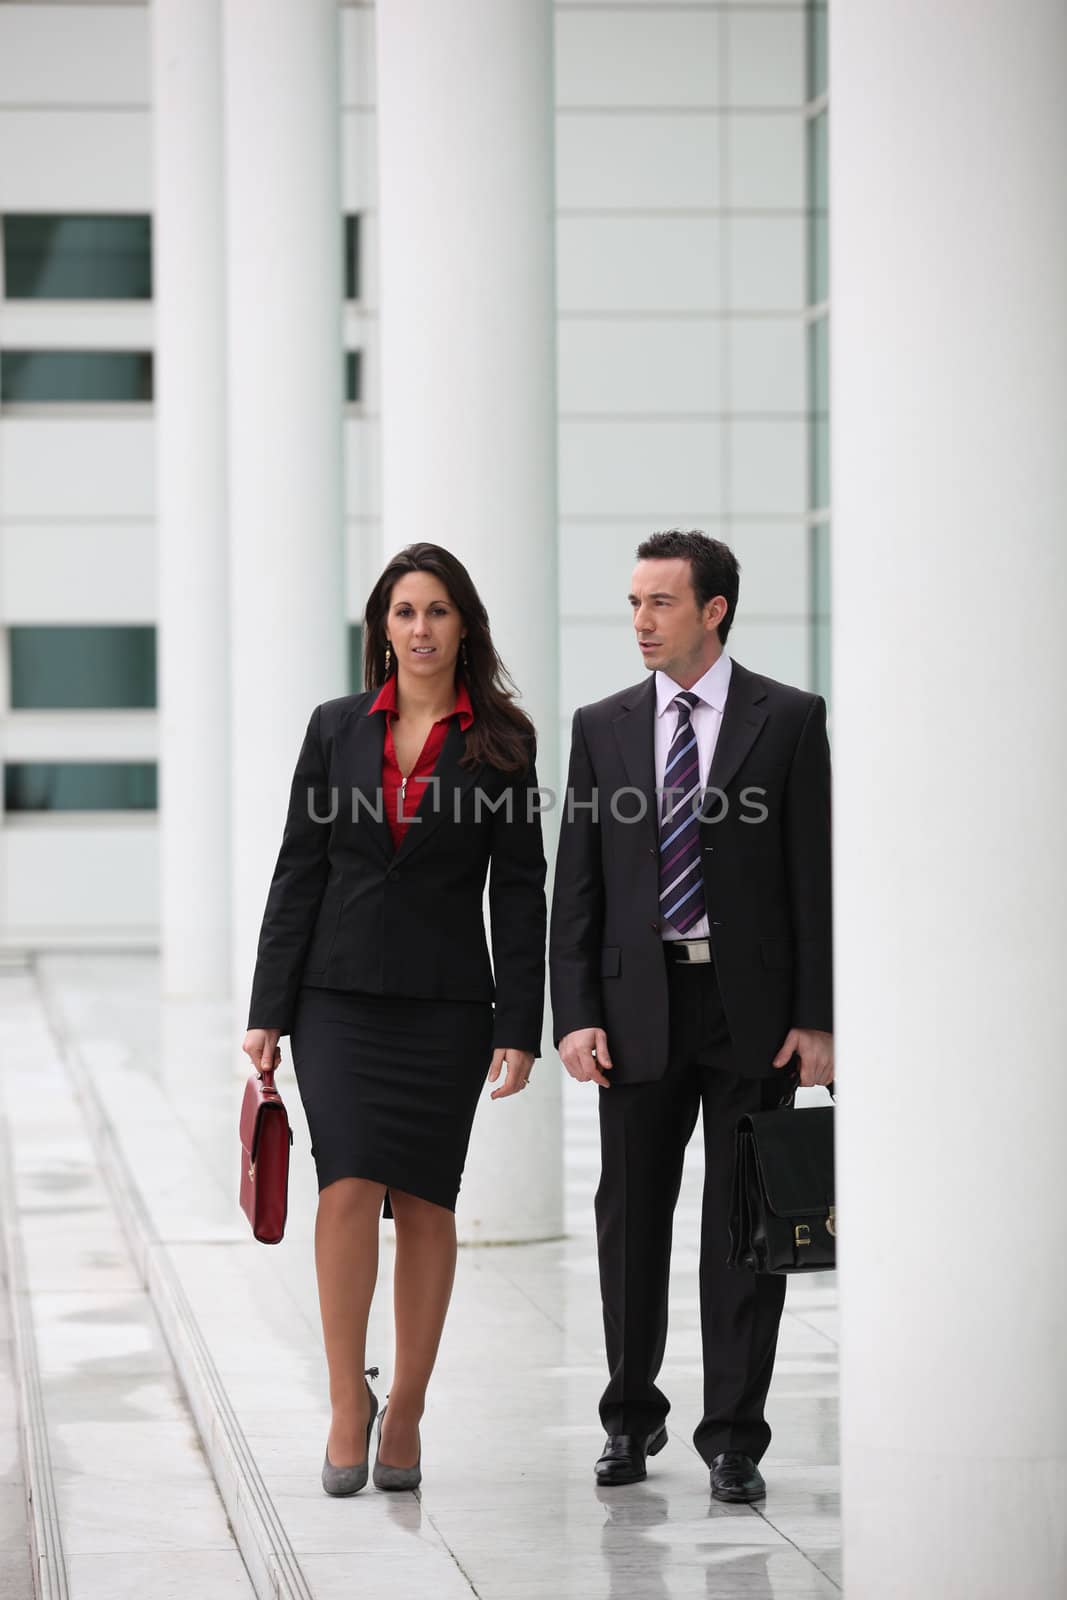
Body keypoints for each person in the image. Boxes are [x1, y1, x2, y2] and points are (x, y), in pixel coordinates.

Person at [242, 542, 546, 1497]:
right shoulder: (334, 729)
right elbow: (299, 868)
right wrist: (268, 1009)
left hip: (448, 1005)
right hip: (335, 998)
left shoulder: (503, 741)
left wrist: (520, 1021)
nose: (420, 629)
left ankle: (404, 1404)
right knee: (346, 1187)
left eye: (438, 612)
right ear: (382, 626)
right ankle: (346, 1400)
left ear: (465, 628)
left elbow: (521, 888)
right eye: (404, 611)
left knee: (425, 1201)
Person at [549, 529, 833, 1503]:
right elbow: (574, 888)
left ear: (711, 609)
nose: (638, 620)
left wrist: (818, 1018)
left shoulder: (789, 720)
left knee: (746, 1224)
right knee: (628, 1218)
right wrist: (574, 1012)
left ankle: (732, 1439)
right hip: (634, 1005)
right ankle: (628, 1420)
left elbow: (814, 881)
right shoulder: (602, 725)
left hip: (749, 1007)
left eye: (658, 602)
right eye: (632, 602)